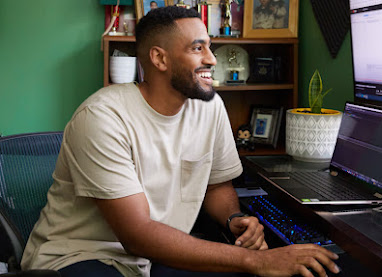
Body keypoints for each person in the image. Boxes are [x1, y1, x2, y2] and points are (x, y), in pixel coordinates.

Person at [21, 6, 340, 277]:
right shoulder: (101, 118)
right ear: (159, 59)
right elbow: (137, 235)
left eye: (210, 47)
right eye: (197, 48)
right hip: (79, 259)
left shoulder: (210, 106)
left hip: (150, 259)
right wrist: (255, 260)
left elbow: (216, 187)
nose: (213, 60)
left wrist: (234, 220)